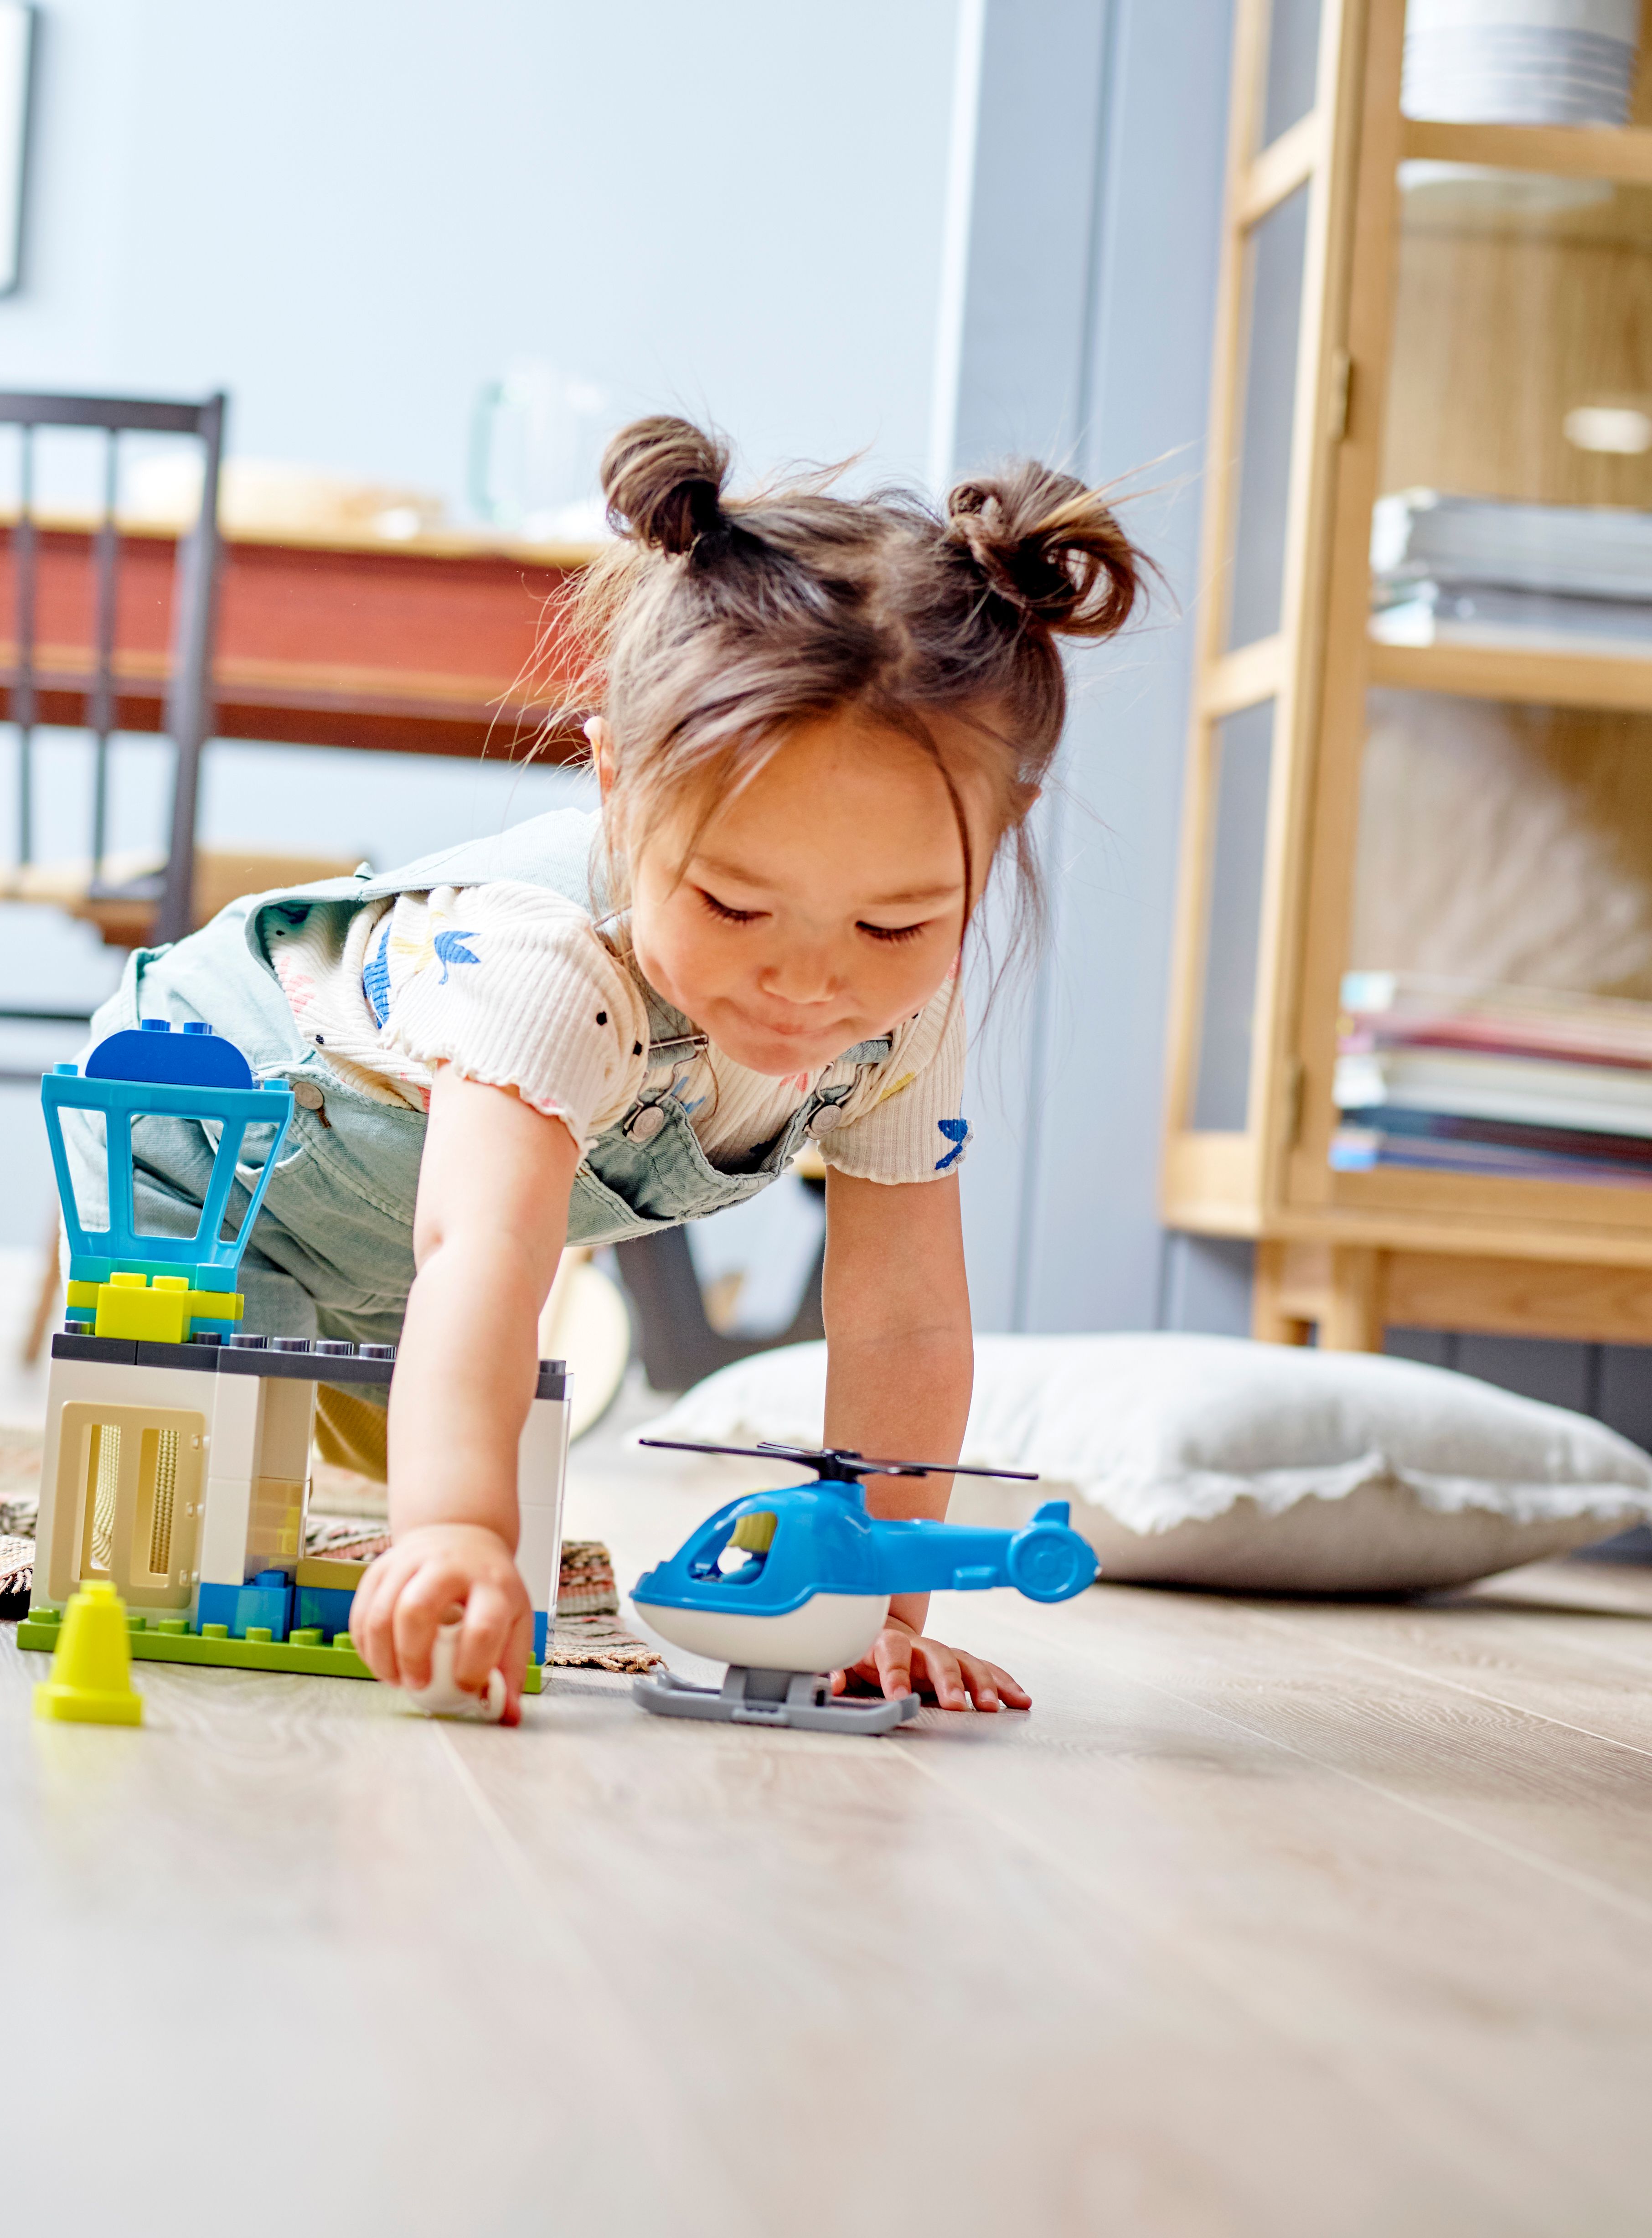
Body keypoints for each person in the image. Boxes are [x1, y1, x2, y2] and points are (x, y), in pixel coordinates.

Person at [81, 415, 1144, 1720]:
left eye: (894, 923)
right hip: (208, 1129)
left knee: (415, 1419)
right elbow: (483, 1254)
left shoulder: (903, 1018)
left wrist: (883, 1606)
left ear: (998, 833)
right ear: (619, 786)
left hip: (405, 1237)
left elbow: (907, 1313)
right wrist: (454, 1528)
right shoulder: (549, 961)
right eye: (736, 906)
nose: (813, 982)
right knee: (205, 1502)